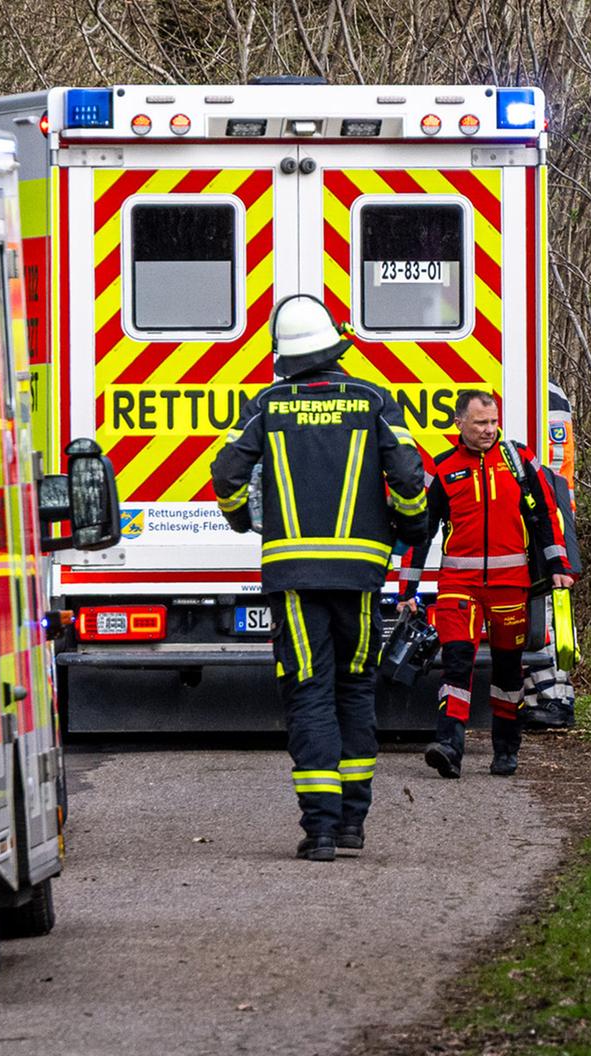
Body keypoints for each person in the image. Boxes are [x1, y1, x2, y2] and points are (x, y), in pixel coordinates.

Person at [210, 294, 427, 861]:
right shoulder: (375, 401)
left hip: (294, 577)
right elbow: (407, 479)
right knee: (355, 689)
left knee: (309, 692)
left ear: (285, 356)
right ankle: (352, 823)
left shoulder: (268, 404)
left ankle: (321, 830)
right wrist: (413, 526)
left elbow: (227, 473)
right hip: (359, 579)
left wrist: (240, 520)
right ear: (335, 346)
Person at [398, 390, 574, 778]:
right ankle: (449, 746)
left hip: (511, 586)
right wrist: (407, 593)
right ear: (459, 423)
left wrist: (558, 563)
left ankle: (506, 749)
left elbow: (546, 513)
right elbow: (420, 534)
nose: (489, 430)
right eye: (480, 423)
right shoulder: (443, 470)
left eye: (493, 422)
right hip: (458, 586)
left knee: (509, 671)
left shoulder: (519, 461)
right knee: (457, 664)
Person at [524, 380, 580, 731]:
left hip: (547, 518)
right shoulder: (549, 391)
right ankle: (537, 697)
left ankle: (553, 698)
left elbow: (552, 464)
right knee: (538, 610)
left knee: (545, 610)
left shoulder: (546, 394)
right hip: (550, 514)